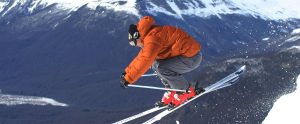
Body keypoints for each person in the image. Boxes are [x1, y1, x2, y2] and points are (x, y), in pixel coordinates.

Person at [120, 16, 203, 107]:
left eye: (133, 43)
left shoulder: (152, 39)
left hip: (192, 57)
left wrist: (129, 79)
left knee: (162, 68)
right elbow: (141, 56)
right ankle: (173, 90)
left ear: (138, 37)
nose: (135, 45)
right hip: (185, 55)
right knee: (155, 64)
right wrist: (127, 72)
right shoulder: (149, 36)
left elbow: (145, 60)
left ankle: (185, 92)